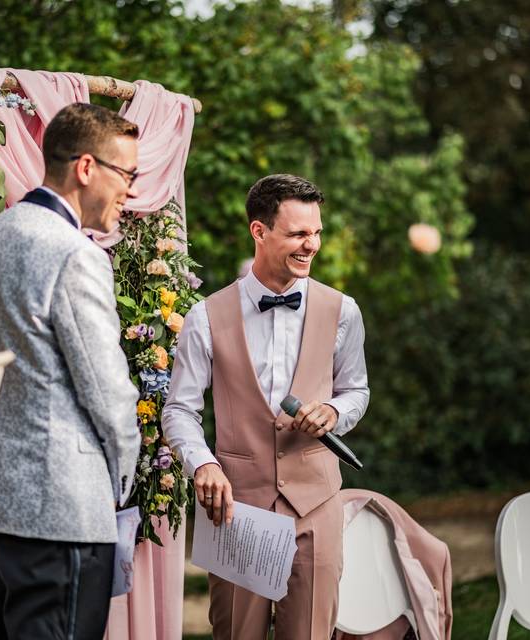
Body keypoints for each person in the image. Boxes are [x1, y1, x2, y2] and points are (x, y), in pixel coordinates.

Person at [0, 103, 142, 640]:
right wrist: (121, 480)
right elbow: (107, 392)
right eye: (127, 174)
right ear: (87, 168)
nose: (130, 189)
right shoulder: (75, 254)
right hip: (64, 509)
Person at [162, 174, 370, 639]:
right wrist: (203, 464)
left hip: (317, 505)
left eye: (316, 232)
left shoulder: (344, 311)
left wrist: (335, 413)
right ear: (259, 232)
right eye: (298, 233)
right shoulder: (205, 317)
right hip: (236, 510)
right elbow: (179, 409)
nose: (310, 244)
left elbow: (357, 390)